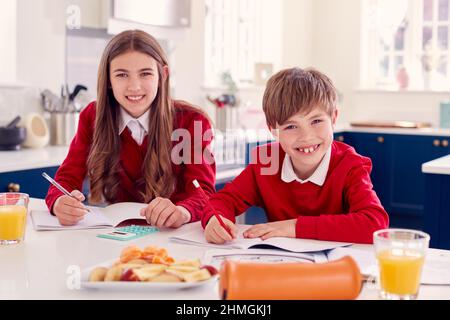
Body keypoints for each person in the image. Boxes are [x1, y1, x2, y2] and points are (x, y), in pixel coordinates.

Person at [45, 30, 215, 227]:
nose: (134, 87)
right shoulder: (93, 115)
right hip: (112, 237)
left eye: (145, 74)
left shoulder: (192, 121)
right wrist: (60, 202)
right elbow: (66, 179)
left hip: (172, 235)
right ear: (108, 79)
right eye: (122, 75)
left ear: (163, 75)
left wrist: (182, 212)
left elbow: (203, 192)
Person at [202, 67, 388, 244]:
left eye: (316, 121)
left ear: (333, 118)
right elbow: (222, 201)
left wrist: (294, 227)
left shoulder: (349, 165)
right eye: (291, 126)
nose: (306, 136)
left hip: (335, 269)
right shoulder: (267, 162)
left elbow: (375, 223)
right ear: (273, 130)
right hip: (282, 266)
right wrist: (215, 220)